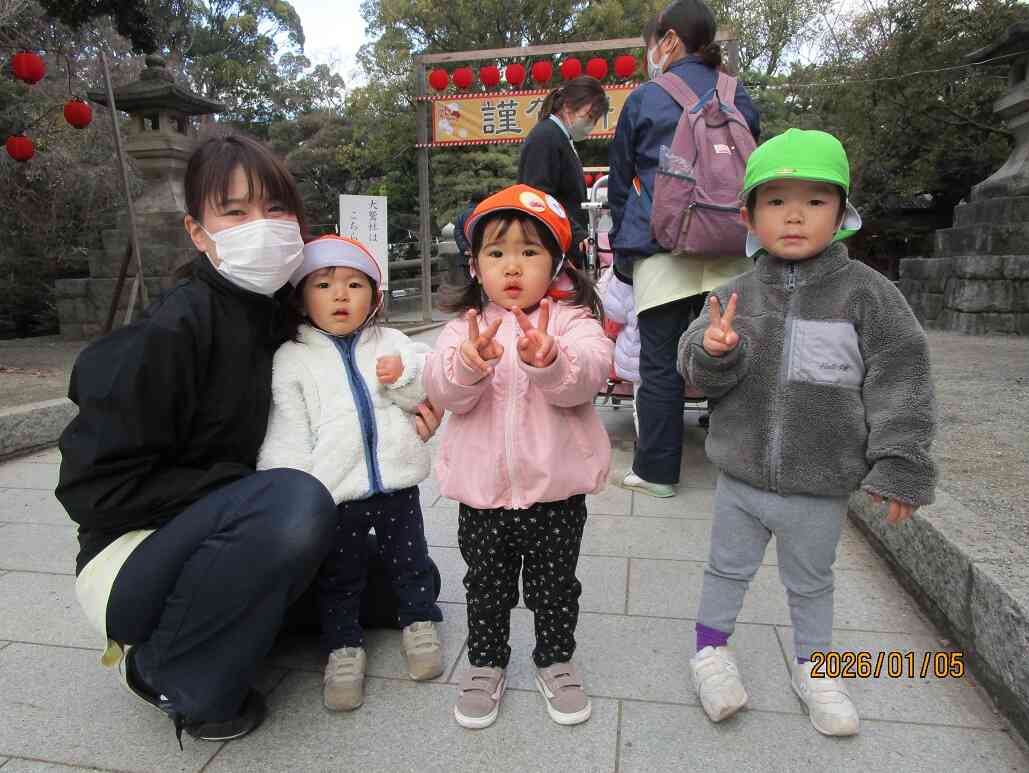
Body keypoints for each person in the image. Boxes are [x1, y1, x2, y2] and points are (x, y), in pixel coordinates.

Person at [54, 133, 443, 745]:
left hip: (236, 525)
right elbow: (90, 490)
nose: (259, 226)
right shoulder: (174, 331)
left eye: (275, 209)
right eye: (234, 212)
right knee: (296, 502)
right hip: (134, 557)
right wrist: (244, 490)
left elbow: (344, 387)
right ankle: (164, 668)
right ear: (197, 231)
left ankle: (256, 606)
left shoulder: (278, 314)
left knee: (384, 595)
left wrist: (409, 403)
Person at [678, 129, 938, 737]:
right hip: (740, 477)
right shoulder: (732, 294)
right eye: (775, 201)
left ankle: (815, 666)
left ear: (843, 213)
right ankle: (710, 652)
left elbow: (902, 379)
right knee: (725, 569)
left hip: (819, 484)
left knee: (812, 581)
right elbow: (693, 365)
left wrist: (901, 462)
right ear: (749, 215)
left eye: (815, 201)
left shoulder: (870, 297)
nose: (794, 215)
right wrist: (714, 350)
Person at [424, 184, 613, 729]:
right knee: (485, 585)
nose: (513, 266)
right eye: (496, 252)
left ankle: (555, 659)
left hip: (556, 493)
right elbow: (444, 391)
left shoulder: (573, 322)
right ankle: (485, 663)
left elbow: (589, 376)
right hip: (482, 496)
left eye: (530, 251)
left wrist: (551, 359)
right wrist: (467, 363)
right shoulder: (463, 328)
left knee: (556, 586)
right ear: (475, 265)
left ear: (556, 264)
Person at [257, 234, 444, 712]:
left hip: (398, 480)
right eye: (323, 284)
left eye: (354, 283)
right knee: (340, 575)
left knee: (411, 559)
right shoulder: (292, 357)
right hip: (335, 491)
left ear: (375, 296)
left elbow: (424, 392)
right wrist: (289, 491)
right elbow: (287, 432)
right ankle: (343, 649)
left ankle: (419, 623)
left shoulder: (396, 341)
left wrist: (401, 377)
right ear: (301, 297)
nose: (340, 295)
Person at [608, 0, 760, 498]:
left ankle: (657, 472)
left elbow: (620, 183)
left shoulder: (644, 99)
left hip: (664, 246)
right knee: (729, 355)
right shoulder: (741, 99)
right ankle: (740, 466)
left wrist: (621, 247)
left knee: (659, 363)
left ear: (670, 40)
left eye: (656, 41)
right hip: (730, 246)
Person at [518, 77, 609, 269]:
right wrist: (576, 233)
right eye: (590, 116)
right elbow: (539, 197)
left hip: (562, 244)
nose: (591, 125)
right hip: (553, 247)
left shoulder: (559, 137)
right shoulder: (546, 137)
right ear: (568, 106)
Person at [598, 265, 642, 435]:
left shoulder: (624, 271)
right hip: (669, 348)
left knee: (641, 404)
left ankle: (644, 440)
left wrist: (611, 272)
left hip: (637, 350)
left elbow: (614, 311)